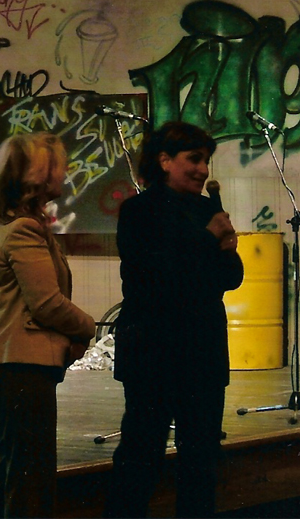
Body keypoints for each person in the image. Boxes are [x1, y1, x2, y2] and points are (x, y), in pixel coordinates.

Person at [104, 121, 244, 518]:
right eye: (194, 159)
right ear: (164, 161)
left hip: (202, 350)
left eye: (206, 160)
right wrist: (208, 239)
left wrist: (227, 249)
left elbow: (230, 279)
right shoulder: (139, 211)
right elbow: (153, 276)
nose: (203, 170)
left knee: (201, 458)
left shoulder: (206, 209)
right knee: (141, 453)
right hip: (153, 350)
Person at [0, 131, 96, 518]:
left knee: (11, 469)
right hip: (20, 365)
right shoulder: (24, 229)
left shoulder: (15, 225)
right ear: (39, 174)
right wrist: (89, 327)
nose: (65, 172)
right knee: (31, 479)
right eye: (58, 165)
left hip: (8, 364)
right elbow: (46, 304)